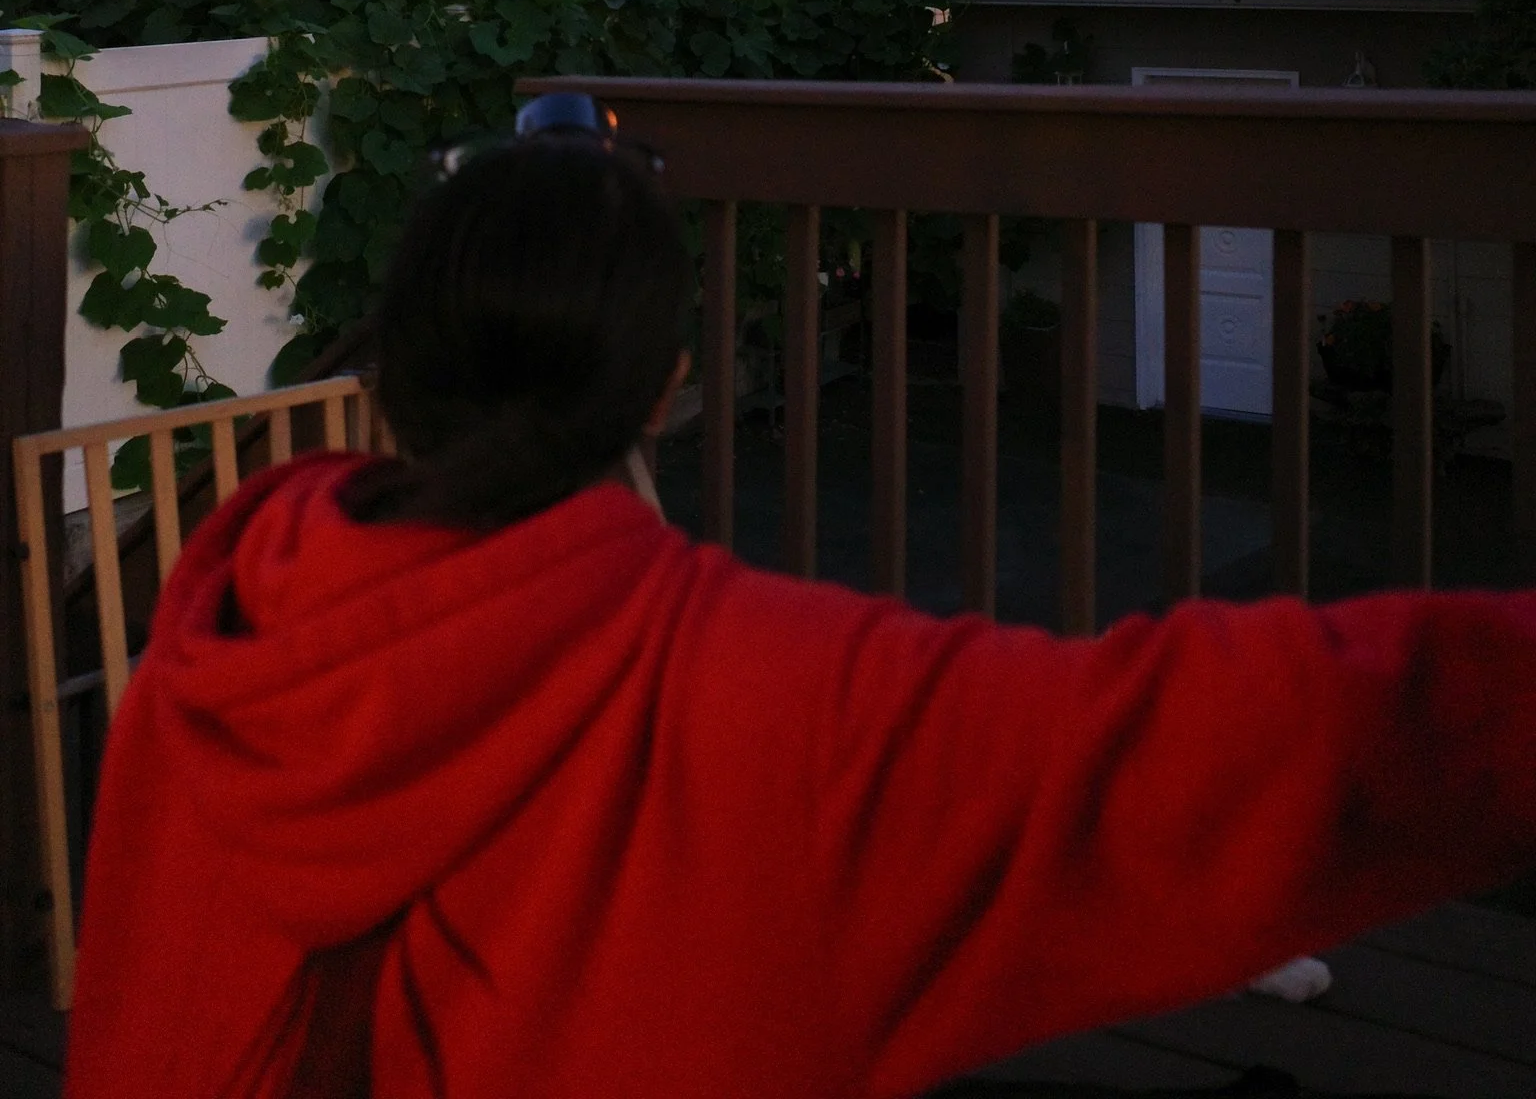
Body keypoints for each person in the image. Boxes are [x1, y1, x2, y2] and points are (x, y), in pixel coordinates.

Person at [65, 99, 1536, 1099]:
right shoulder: (777, 704)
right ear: (664, 388)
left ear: (390, 362)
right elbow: (1236, 746)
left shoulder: (222, 634)